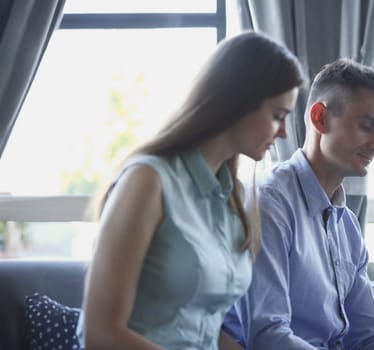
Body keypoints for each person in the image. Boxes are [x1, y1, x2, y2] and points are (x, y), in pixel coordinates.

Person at [75, 31, 305, 350]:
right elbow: (100, 334)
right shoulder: (147, 181)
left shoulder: (234, 200)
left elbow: (203, 328)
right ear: (238, 103)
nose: (283, 133)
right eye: (278, 116)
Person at [223, 58, 374, 349]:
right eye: (366, 126)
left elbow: (372, 334)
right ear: (320, 118)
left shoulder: (347, 226)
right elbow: (266, 334)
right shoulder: (269, 203)